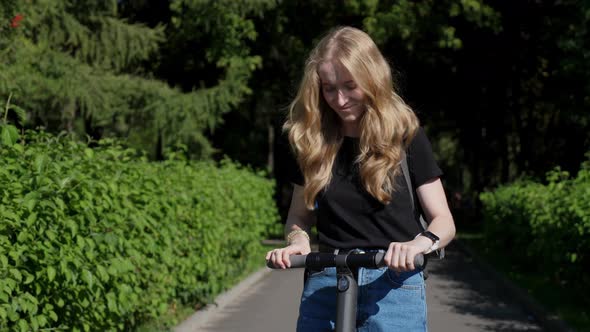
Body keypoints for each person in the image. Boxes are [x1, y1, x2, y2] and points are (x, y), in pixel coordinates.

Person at [266, 26, 456, 331]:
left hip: (394, 284)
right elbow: (298, 217)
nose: (339, 100)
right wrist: (297, 241)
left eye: (350, 86)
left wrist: (419, 244)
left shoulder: (405, 136)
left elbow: (444, 222)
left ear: (372, 79)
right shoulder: (310, 141)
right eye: (329, 88)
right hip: (327, 280)